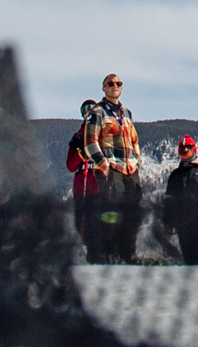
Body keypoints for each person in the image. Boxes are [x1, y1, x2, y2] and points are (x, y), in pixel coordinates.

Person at [83, 74, 143, 264]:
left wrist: (137, 159)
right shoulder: (97, 113)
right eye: (111, 84)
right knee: (110, 213)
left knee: (132, 213)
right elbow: (89, 142)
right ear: (104, 88)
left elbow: (134, 139)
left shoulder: (127, 113)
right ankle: (107, 254)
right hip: (111, 169)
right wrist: (103, 163)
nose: (115, 86)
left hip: (130, 169)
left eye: (118, 84)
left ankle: (129, 253)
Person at [163, 134, 198, 265]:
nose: (184, 154)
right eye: (181, 151)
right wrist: (167, 221)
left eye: (187, 151)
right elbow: (169, 200)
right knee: (189, 259)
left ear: (194, 151)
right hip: (183, 225)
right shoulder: (176, 175)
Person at [65, 100, 101, 262]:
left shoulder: (104, 134)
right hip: (82, 183)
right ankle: (80, 253)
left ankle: (98, 254)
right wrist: (80, 155)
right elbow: (70, 165)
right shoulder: (77, 137)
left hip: (99, 184)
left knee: (97, 219)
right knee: (80, 219)